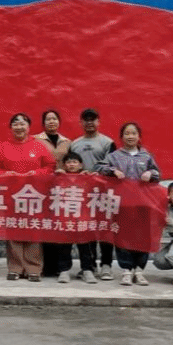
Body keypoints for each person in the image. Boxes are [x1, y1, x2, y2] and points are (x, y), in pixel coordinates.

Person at [0, 113, 56, 281]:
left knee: (33, 230)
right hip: (12, 196)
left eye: (22, 124)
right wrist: (6, 173)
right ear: (11, 128)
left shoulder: (38, 146)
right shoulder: (4, 146)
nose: (19, 127)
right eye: (15, 124)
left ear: (29, 127)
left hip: (34, 196)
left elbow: (50, 166)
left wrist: (37, 173)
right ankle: (15, 268)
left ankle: (33, 268)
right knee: (14, 230)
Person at [96, 122, 161, 286]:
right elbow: (100, 167)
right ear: (121, 137)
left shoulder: (146, 156)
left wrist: (150, 173)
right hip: (122, 205)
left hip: (143, 204)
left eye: (133, 133)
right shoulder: (114, 156)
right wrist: (113, 171)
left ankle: (139, 270)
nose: (130, 136)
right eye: (127, 133)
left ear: (139, 137)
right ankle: (126, 270)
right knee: (123, 237)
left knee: (142, 237)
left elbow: (158, 174)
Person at [69, 108, 117, 279]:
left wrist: (98, 174)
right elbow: (71, 166)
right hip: (82, 195)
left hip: (103, 193)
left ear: (98, 122)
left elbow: (112, 166)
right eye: (86, 119)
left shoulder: (107, 143)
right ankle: (89, 265)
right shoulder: (74, 144)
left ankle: (106, 265)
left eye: (93, 119)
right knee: (86, 228)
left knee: (104, 228)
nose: (89, 122)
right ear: (81, 122)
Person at [34, 109, 73, 276]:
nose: (51, 122)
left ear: (59, 122)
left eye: (54, 119)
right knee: (45, 225)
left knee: (61, 226)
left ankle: (61, 266)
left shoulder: (67, 142)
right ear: (43, 123)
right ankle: (46, 265)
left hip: (62, 189)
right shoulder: (35, 140)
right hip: (42, 188)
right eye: (48, 119)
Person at [53, 151, 98, 284]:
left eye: (74, 162)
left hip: (83, 218)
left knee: (85, 246)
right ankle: (64, 270)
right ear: (64, 165)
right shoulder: (58, 177)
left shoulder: (87, 178)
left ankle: (87, 270)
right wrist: (55, 176)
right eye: (68, 162)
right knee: (64, 246)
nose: (71, 165)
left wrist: (94, 176)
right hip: (65, 218)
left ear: (80, 165)